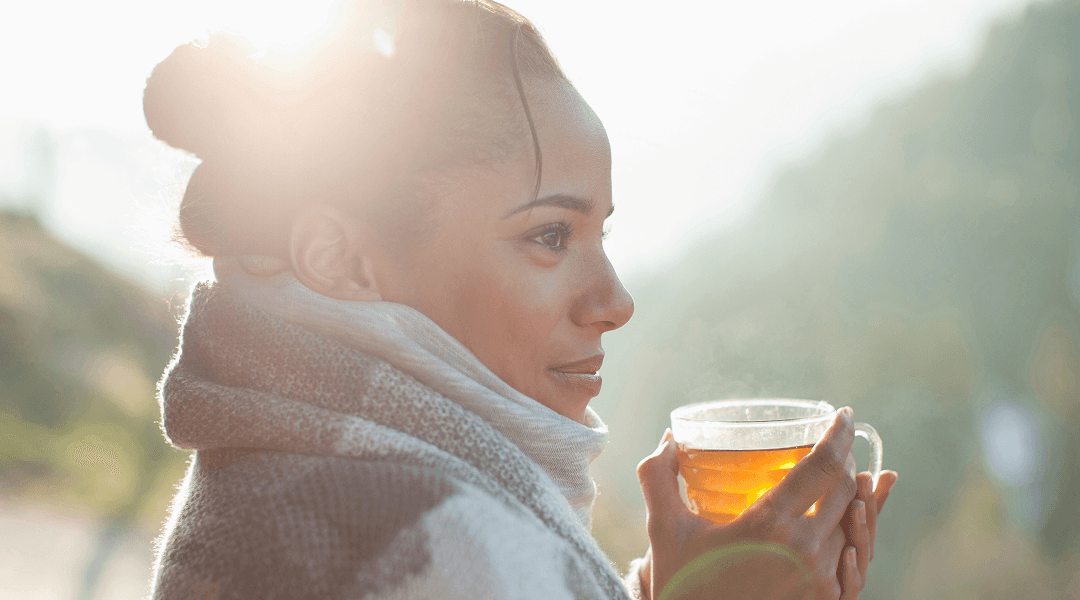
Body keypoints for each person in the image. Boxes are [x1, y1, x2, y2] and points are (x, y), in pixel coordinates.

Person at [144, 1, 898, 598]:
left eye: (600, 233)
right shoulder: (441, 543)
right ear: (339, 259)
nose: (616, 302)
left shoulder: (287, 478)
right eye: (550, 236)